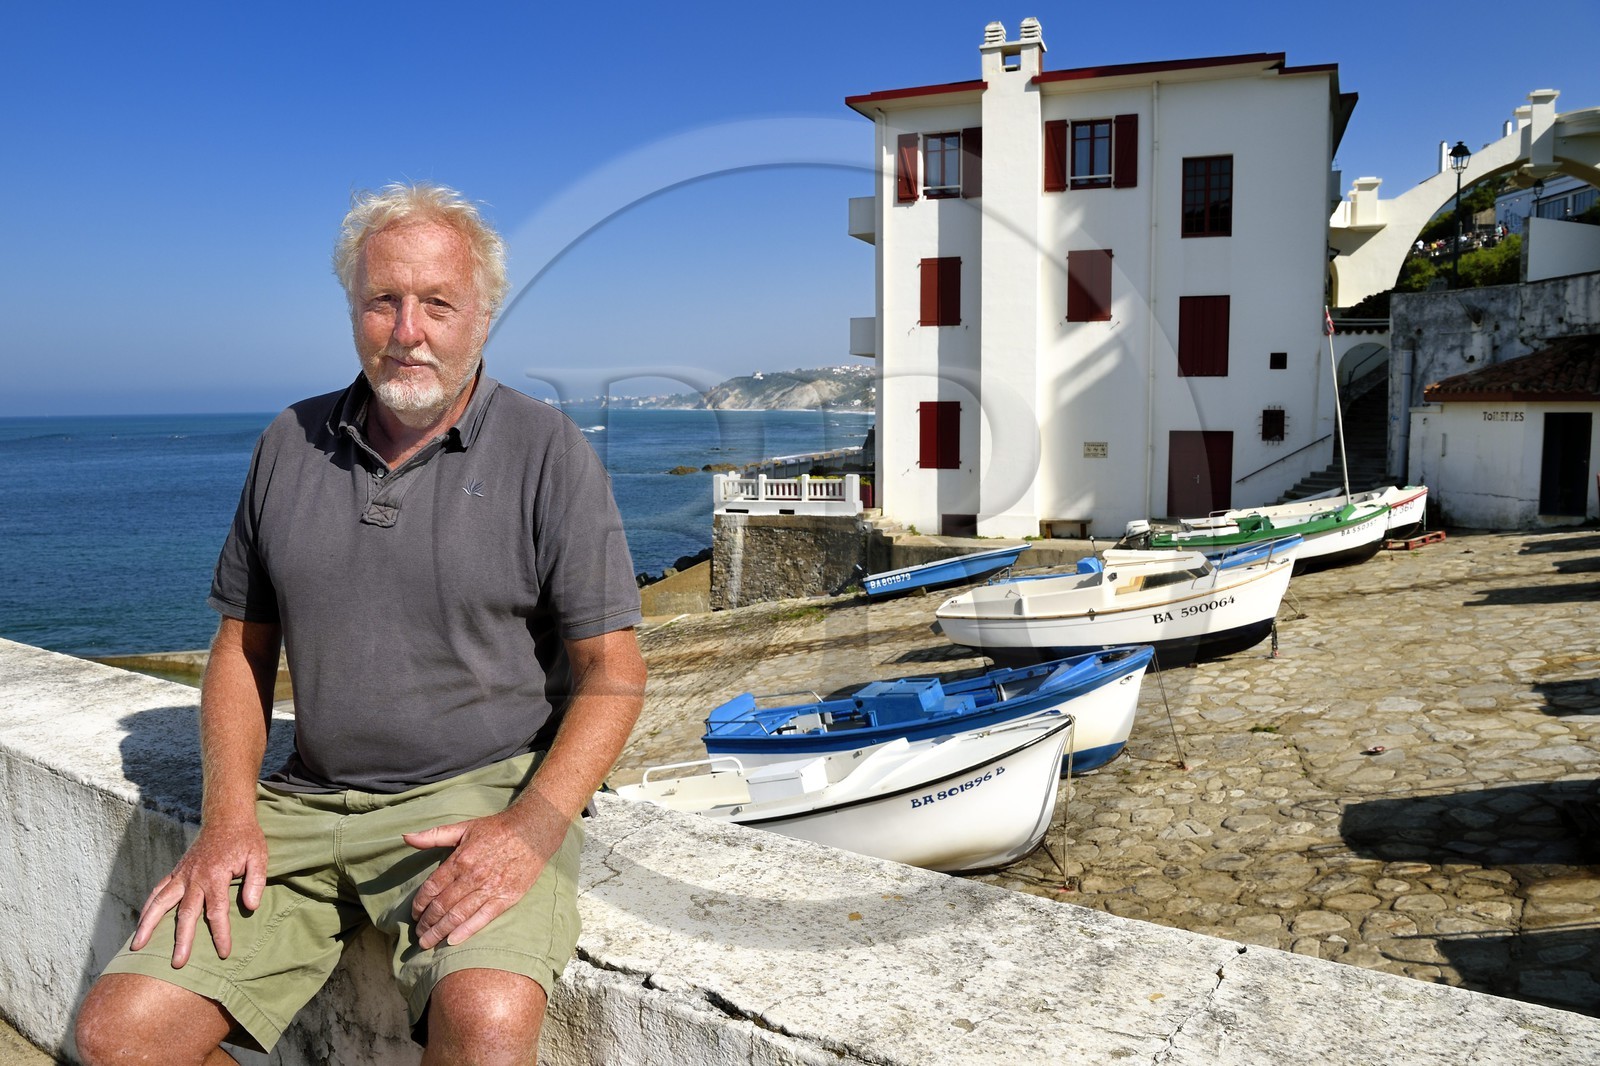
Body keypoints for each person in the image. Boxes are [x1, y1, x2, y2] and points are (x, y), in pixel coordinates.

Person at [73, 183, 648, 1065]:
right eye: (384, 300)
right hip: (305, 803)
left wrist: (532, 827)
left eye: (438, 303)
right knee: (121, 1035)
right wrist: (228, 818)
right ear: (353, 310)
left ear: (483, 317)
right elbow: (241, 647)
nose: (408, 329)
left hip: (479, 798)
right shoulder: (287, 442)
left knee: (490, 1024)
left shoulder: (548, 453)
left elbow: (613, 671)